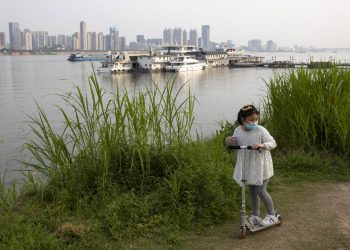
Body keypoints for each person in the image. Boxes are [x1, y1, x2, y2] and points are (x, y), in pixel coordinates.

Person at [225, 104, 278, 227]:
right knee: (252, 191)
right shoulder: (238, 130)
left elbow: (273, 143)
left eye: (256, 120)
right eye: (251, 120)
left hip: (261, 166)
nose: (254, 122)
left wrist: (262, 145)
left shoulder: (261, 130)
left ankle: (272, 215)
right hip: (248, 166)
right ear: (243, 120)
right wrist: (229, 141)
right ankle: (255, 215)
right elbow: (235, 142)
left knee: (260, 190)